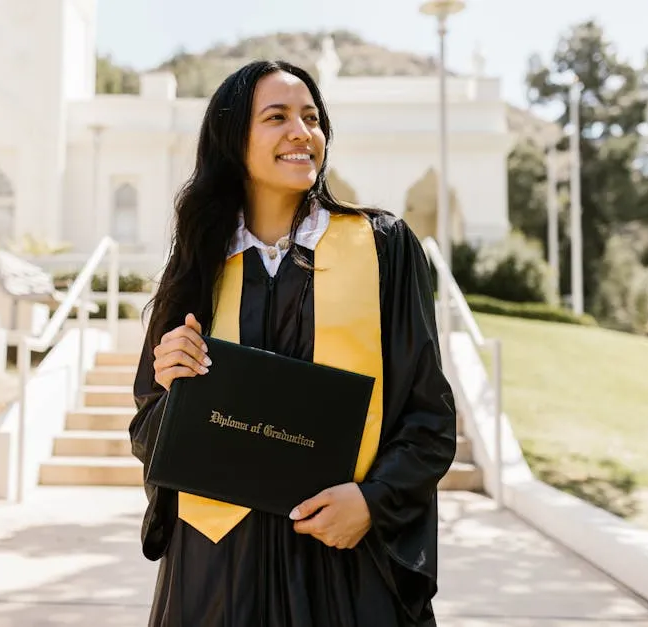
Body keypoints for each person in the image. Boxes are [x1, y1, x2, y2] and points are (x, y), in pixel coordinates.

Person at [130, 59, 457, 627]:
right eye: (276, 117)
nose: (300, 132)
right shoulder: (199, 263)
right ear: (234, 140)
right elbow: (148, 430)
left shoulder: (381, 247)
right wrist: (172, 388)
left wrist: (372, 503)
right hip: (219, 570)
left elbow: (428, 418)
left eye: (311, 117)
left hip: (345, 564)